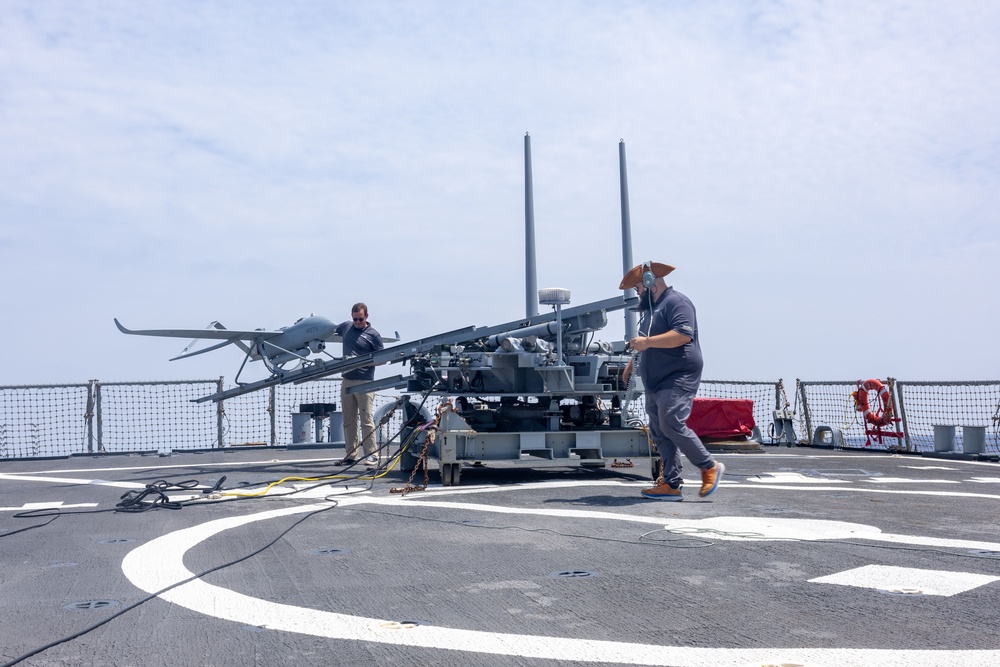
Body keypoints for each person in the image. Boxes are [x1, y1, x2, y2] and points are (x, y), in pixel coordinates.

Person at [620, 262, 724, 501]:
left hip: (678, 374)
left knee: (670, 422)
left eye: (637, 287)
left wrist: (645, 344)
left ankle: (709, 467)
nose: (637, 292)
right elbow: (647, 341)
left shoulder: (677, 302)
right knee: (659, 430)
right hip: (655, 378)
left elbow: (682, 335)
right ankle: (671, 484)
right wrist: (632, 363)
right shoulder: (651, 310)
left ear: (649, 282)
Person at [335, 302, 384, 467]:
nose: (357, 322)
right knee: (348, 419)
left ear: (367, 317)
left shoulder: (373, 335)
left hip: (365, 381)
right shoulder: (346, 327)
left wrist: (363, 363)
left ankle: (372, 455)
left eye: (360, 319)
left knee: (366, 419)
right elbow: (329, 330)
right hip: (347, 380)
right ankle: (351, 454)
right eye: (355, 319)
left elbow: (383, 359)